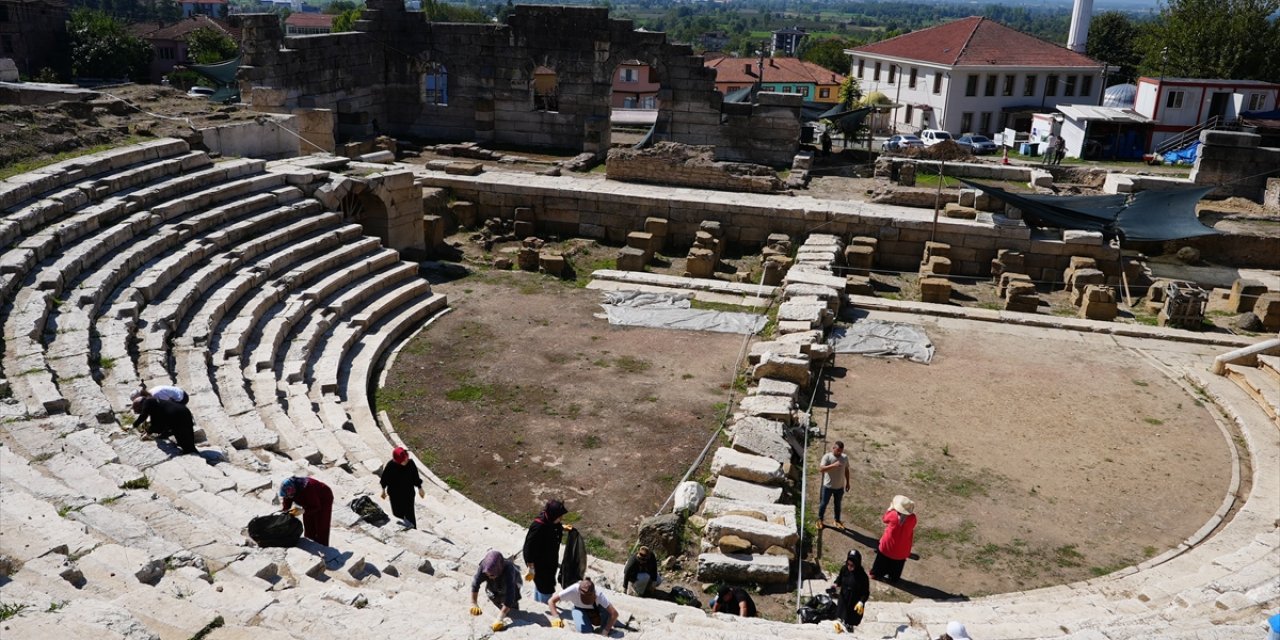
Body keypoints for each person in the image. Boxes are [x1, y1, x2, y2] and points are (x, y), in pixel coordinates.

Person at [523, 499, 568, 603]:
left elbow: (553, 527)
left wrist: (561, 528)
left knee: (541, 586)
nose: (561, 518)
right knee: (545, 587)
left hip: (550, 560)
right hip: (541, 565)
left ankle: (539, 601)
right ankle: (545, 605)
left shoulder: (550, 519)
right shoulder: (538, 527)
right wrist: (531, 567)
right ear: (553, 515)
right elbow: (529, 548)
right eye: (559, 516)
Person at [470, 549, 521, 629]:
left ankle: (511, 610)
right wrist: (474, 603)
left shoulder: (509, 569)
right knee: (494, 596)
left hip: (507, 585)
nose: (489, 576)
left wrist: (499, 618)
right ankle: (498, 602)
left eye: (492, 575)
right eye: (487, 575)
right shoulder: (484, 566)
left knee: (512, 603)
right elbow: (476, 583)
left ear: (499, 569)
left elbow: (510, 595)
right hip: (493, 587)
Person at [871, 495, 917, 583]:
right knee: (897, 566)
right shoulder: (912, 518)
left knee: (880, 562)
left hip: (887, 546)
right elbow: (913, 524)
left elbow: (885, 519)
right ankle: (893, 578)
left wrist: (890, 508)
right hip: (902, 550)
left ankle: (876, 574)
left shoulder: (893, 515)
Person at [547, 577, 618, 634]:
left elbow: (614, 614)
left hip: (596, 610)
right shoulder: (573, 590)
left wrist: (606, 631)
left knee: (606, 611)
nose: (587, 599)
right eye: (585, 597)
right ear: (579, 592)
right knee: (585, 632)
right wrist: (556, 618)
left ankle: (603, 627)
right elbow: (551, 601)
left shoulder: (598, 595)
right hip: (579, 609)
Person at [131, 395, 197, 454]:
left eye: (138, 410)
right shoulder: (154, 402)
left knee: (180, 435)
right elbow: (158, 424)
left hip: (176, 415)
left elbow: (144, 417)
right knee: (188, 432)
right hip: (184, 410)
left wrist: (135, 426)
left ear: (140, 405)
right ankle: (192, 449)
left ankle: (189, 452)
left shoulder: (147, 403)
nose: (140, 412)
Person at [279, 476, 334, 546]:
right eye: (288, 495)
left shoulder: (307, 488)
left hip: (324, 498)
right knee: (308, 523)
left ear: (294, 489)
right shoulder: (289, 490)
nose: (289, 496)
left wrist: (303, 511)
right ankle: (310, 542)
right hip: (308, 501)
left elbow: (316, 506)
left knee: (321, 524)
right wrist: (285, 511)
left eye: (290, 495)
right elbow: (287, 501)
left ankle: (323, 546)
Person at [379, 446, 424, 528]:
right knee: (398, 514)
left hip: (408, 494)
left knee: (410, 514)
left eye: (406, 458)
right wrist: (383, 490)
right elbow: (384, 479)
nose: (406, 461)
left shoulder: (410, 464)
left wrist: (420, 487)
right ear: (397, 461)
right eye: (403, 460)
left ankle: (414, 529)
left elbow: (415, 477)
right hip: (395, 495)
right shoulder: (391, 466)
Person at [816, 441, 850, 529]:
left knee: (838, 504)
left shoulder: (845, 457)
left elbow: (846, 470)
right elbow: (821, 469)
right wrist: (834, 465)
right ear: (833, 448)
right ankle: (820, 520)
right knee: (824, 503)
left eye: (841, 451)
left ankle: (837, 521)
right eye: (838, 450)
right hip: (828, 487)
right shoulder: (827, 457)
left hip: (839, 487)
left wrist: (848, 482)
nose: (839, 453)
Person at [833, 549, 870, 629]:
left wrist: (861, 602)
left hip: (854, 602)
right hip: (844, 599)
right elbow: (839, 579)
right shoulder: (844, 569)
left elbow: (865, 593)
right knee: (839, 616)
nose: (849, 567)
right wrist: (835, 585)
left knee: (851, 620)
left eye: (852, 565)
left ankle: (849, 629)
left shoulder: (863, 577)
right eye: (848, 564)